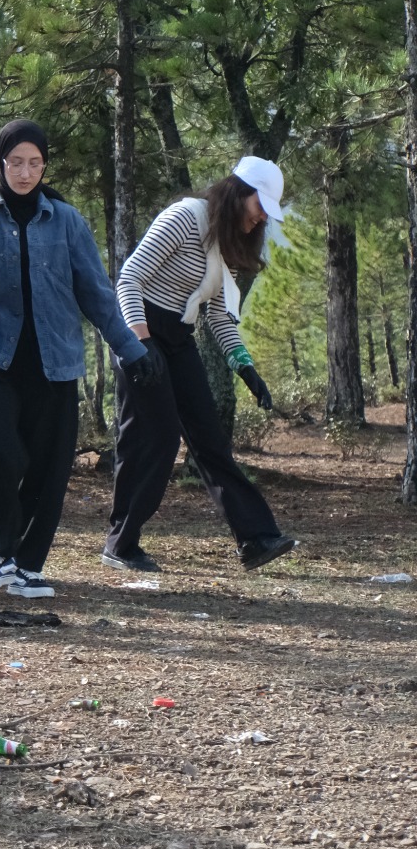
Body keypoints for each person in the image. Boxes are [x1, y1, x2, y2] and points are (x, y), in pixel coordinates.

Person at [0, 119, 163, 599]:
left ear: (44, 166)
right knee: (0, 452)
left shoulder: (67, 221)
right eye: (15, 163)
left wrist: (132, 350)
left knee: (50, 468)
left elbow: (97, 294)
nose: (24, 173)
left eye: (34, 163)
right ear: (0, 163)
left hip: (55, 362)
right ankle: (0, 549)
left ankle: (29, 564)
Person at [104, 157, 299, 573]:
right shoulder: (184, 217)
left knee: (210, 438)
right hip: (139, 331)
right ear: (237, 193)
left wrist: (245, 367)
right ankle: (121, 543)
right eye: (259, 204)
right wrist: (140, 344)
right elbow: (129, 279)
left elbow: (217, 314)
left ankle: (256, 538)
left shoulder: (224, 239)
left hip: (178, 337)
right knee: (154, 438)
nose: (262, 216)